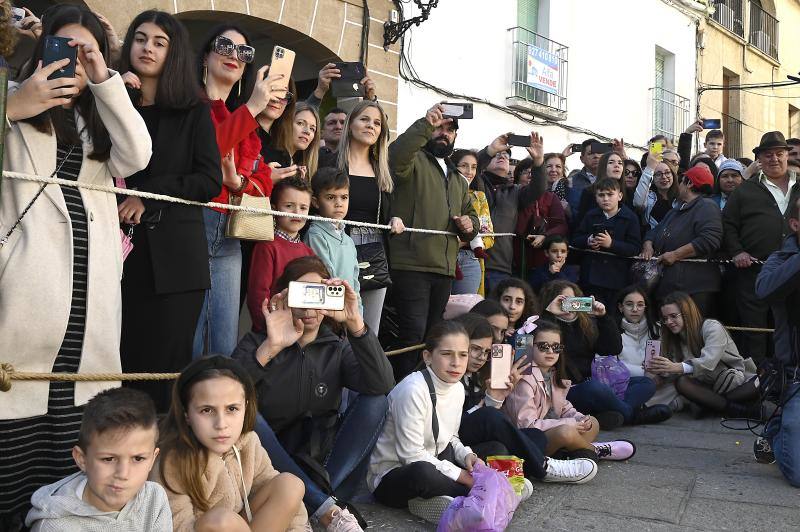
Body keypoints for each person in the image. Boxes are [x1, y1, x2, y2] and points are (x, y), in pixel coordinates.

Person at [0, 5, 152, 524]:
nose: (74, 61)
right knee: (13, 450)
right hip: (27, 301)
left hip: (89, 310)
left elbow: (139, 155)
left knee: (69, 453)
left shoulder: (100, 127)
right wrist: (14, 108)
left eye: (85, 53)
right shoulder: (13, 107)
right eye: (62, 48)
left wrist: (106, 77)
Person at [233, 256, 393, 530]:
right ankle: (325, 508)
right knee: (246, 413)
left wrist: (356, 324)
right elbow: (228, 394)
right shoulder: (257, 342)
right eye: (302, 295)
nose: (309, 307)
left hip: (324, 463)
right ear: (284, 298)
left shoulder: (338, 347)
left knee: (376, 402)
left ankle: (316, 501)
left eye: (318, 295)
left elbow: (382, 385)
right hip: (269, 463)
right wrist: (270, 348)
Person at [116, 10, 222, 412]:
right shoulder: (113, 101)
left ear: (173, 52)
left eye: (159, 42)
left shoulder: (193, 110)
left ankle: (158, 465)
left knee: (163, 377)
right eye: (140, 38)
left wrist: (147, 194)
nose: (147, 48)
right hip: (116, 257)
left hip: (176, 265)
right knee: (119, 367)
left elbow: (209, 180)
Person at [368, 321, 522, 525]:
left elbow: (451, 437)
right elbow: (411, 455)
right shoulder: (413, 390)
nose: (456, 363)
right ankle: (490, 496)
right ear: (428, 356)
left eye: (463, 354)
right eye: (447, 354)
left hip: (436, 460)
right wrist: (463, 477)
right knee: (422, 473)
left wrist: (468, 455)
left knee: (496, 448)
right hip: (394, 476)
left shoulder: (457, 388)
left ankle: (455, 500)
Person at [189, 24, 279, 358]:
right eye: (225, 46)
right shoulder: (189, 104)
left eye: (244, 52)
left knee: (223, 346)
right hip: (194, 224)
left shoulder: (241, 119)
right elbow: (205, 155)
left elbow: (264, 183)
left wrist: (236, 183)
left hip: (231, 233)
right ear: (206, 55)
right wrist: (253, 108)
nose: (234, 55)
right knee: (190, 342)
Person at [152, 356, 309, 531]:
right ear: (186, 413)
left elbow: (284, 504)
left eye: (232, 409)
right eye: (207, 410)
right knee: (221, 521)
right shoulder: (173, 462)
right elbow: (175, 527)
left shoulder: (249, 442)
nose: (221, 424)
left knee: (290, 485)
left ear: (245, 407)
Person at [386, 103, 479, 380]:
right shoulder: (412, 161)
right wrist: (425, 123)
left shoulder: (459, 179)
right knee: (412, 336)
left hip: (444, 269)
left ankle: (426, 392)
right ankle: (401, 393)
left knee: (433, 337)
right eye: (439, 127)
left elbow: (473, 218)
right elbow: (395, 156)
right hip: (410, 264)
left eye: (449, 129)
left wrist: (469, 225)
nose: (443, 133)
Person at [454, 313, 598, 484]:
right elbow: (466, 422)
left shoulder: (482, 374)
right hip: (455, 444)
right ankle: (545, 466)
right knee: (493, 421)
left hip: (476, 444)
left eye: (487, 351)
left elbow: (562, 407)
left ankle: (525, 469)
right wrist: (488, 404)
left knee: (534, 437)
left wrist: (495, 398)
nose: (481, 357)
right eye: (475, 349)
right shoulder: (448, 375)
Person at [25, 388, 171, 531]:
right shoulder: (55, 527)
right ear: (82, 459)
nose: (123, 474)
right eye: (108, 459)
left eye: (138, 458)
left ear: (153, 459)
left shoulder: (155, 499)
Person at [539, 281, 670, 427]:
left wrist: (603, 317)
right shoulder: (544, 325)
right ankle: (632, 417)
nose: (570, 304)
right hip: (565, 391)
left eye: (574, 299)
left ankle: (605, 415)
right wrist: (549, 313)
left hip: (597, 384)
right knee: (593, 388)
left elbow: (613, 348)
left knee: (646, 383)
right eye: (563, 300)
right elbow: (535, 344)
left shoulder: (586, 323)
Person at [502, 319, 636, 462]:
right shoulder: (524, 378)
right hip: (529, 440)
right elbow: (527, 425)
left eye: (556, 347)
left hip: (551, 432)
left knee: (592, 422)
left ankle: (570, 453)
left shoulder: (553, 373)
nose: (551, 351)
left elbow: (564, 407)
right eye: (543, 346)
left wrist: (579, 418)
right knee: (565, 432)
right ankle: (595, 450)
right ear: (529, 346)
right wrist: (568, 423)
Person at [325, 100, 404, 334]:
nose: (371, 126)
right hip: (335, 252)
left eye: (377, 123)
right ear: (350, 125)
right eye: (365, 119)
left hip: (374, 255)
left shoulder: (383, 171)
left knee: (369, 330)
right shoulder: (328, 163)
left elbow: (389, 212)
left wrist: (395, 219)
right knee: (334, 326)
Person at [723, 131, 800, 365]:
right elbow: (727, 223)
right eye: (768, 155)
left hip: (795, 272)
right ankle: (758, 383)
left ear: (787, 155)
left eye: (779, 153)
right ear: (759, 159)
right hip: (754, 272)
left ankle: (790, 381)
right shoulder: (745, 190)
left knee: (792, 328)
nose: (774, 159)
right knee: (754, 331)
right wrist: (736, 251)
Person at [652, 292, 760, 418]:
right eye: (665, 318)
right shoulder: (671, 337)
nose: (669, 322)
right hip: (704, 386)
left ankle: (714, 405)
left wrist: (676, 367)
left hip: (735, 380)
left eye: (673, 316)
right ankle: (731, 408)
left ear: (687, 313)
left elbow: (708, 361)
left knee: (760, 383)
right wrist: (660, 372)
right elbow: (673, 370)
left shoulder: (711, 327)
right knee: (681, 382)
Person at [755, 196, 800, 485]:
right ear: (795, 225)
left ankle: (776, 426)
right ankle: (778, 426)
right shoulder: (781, 259)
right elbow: (764, 290)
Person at [641, 166, 723, 315]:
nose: (677, 184)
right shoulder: (677, 209)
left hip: (694, 289)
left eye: (681, 181)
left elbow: (710, 240)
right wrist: (648, 244)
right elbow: (654, 231)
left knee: (692, 333)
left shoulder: (707, 206)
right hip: (671, 286)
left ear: (689, 183)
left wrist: (676, 255)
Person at [477, 132, 546, 292]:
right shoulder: (475, 182)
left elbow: (538, 189)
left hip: (499, 266)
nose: (502, 157)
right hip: (470, 261)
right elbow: (472, 167)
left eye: (507, 156)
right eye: (497, 155)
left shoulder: (516, 191)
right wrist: (490, 150)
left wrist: (538, 162)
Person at [246, 176, 315, 333]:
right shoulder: (267, 246)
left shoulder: (309, 252)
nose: (297, 213)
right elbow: (258, 296)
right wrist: (267, 329)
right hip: (271, 331)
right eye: (289, 206)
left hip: (301, 333)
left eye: (303, 208)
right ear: (274, 208)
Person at [572, 178, 642, 306]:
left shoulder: (630, 217)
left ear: (619, 196)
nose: (605, 198)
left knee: (611, 318)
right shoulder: (590, 215)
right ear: (596, 197)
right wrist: (588, 240)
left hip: (617, 279)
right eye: (601, 195)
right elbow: (575, 239)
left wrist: (611, 244)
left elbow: (635, 248)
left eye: (610, 194)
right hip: (590, 279)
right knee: (589, 314)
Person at [304, 167, 361, 309]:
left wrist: (357, 311)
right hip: (326, 310)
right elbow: (327, 275)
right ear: (316, 202)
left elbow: (355, 281)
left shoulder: (348, 240)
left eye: (344, 197)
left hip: (349, 311)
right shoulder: (315, 235)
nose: (339, 203)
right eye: (330, 197)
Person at [614, 285, 679, 410]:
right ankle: (637, 409)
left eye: (640, 305)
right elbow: (606, 365)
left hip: (656, 387)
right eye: (629, 304)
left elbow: (672, 361)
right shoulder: (611, 330)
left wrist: (661, 372)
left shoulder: (658, 329)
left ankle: (628, 408)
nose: (635, 309)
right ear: (620, 307)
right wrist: (643, 372)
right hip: (625, 384)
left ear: (645, 308)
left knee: (675, 386)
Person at [452, 148, 494, 295]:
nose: (469, 171)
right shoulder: (441, 192)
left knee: (465, 313)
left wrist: (463, 241)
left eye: (474, 167)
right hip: (440, 257)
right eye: (464, 166)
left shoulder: (479, 197)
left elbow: (488, 236)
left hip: (470, 258)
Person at [515, 164, 568, 280]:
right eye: (526, 173)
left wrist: (545, 235)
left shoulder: (551, 197)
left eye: (534, 173)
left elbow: (561, 224)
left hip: (543, 257)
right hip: (517, 256)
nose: (530, 176)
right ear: (518, 176)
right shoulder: (512, 195)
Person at [575, 151, 628, 222]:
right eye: (611, 162)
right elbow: (580, 222)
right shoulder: (589, 192)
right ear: (603, 167)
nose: (617, 165)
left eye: (620, 163)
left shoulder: (628, 192)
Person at [634, 152, 679, 230]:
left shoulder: (681, 197)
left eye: (667, 172)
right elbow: (638, 203)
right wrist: (650, 168)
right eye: (658, 174)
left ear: (673, 175)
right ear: (653, 179)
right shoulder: (648, 197)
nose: (664, 177)